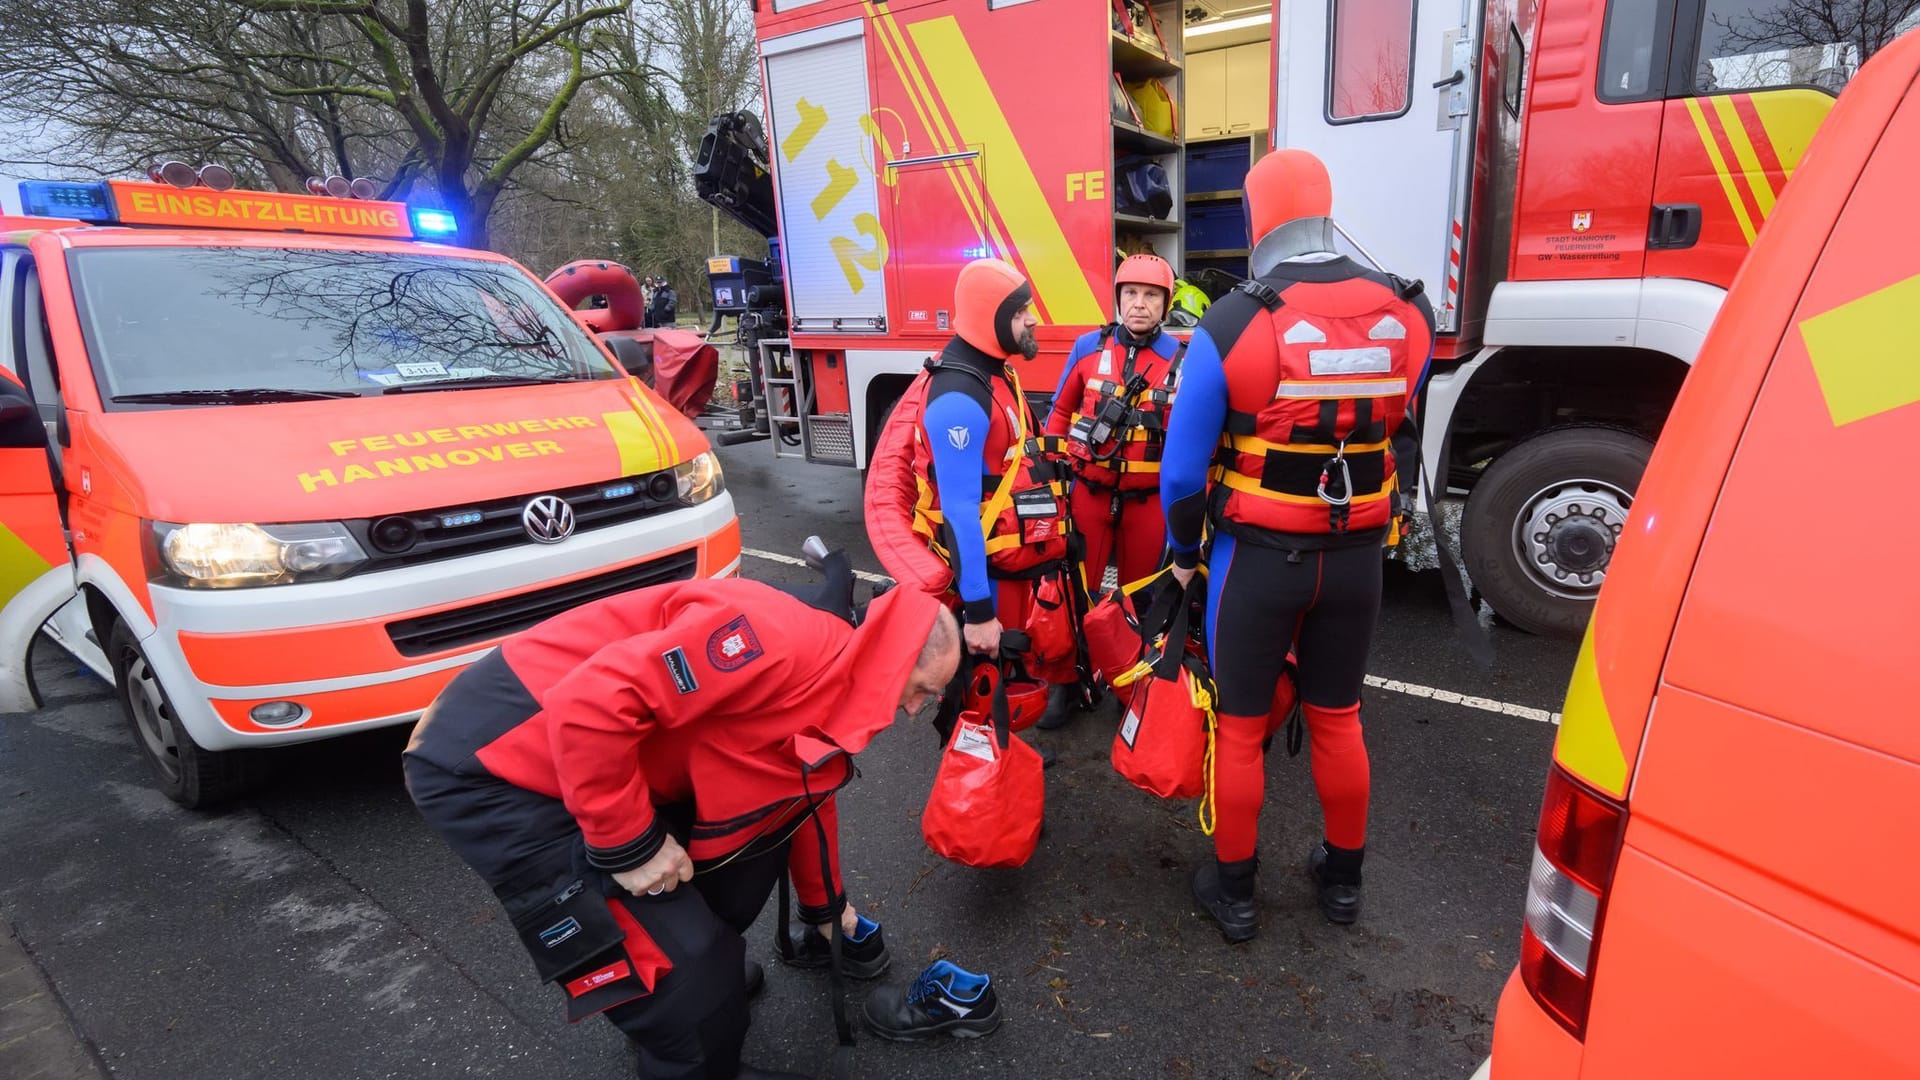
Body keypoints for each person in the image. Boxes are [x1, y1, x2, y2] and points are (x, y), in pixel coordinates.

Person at [403, 572, 963, 1078]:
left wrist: (826, 908)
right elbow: (589, 703)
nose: (917, 711)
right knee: (690, 980)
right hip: (495, 761)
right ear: (892, 658)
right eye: (923, 690)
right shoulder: (773, 638)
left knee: (737, 881)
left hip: (606, 757)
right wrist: (628, 844)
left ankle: (691, 995)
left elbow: (804, 793)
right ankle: (688, 1027)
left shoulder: (841, 678)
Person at [1158, 149, 1435, 940]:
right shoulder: (1409, 311)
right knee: (1339, 718)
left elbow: (1180, 473)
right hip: (1355, 561)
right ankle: (1343, 885)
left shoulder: (1233, 320)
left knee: (1240, 728)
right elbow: (1395, 420)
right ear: (1325, 206)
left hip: (1258, 559)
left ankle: (1236, 895)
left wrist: (1183, 553)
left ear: (1256, 216)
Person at [861, 258, 1075, 744]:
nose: (1033, 320)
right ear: (990, 316)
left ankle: (1001, 767)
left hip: (1007, 566)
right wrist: (978, 611)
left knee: (1004, 678)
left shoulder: (994, 373)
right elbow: (959, 513)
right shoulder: (960, 396)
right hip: (983, 578)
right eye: (1021, 312)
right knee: (980, 684)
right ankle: (979, 795)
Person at [1038, 253, 1183, 728]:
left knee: (1138, 599)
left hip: (1148, 502)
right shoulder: (1086, 347)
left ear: (1166, 304)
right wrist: (1051, 476)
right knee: (1075, 592)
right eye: (1131, 294)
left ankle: (1129, 685)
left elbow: (1193, 436)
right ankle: (1065, 684)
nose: (1139, 304)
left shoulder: (1183, 359)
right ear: (1118, 299)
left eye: (1151, 296)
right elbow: (1059, 416)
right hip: (1089, 494)